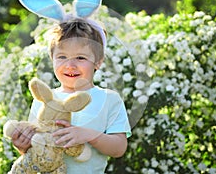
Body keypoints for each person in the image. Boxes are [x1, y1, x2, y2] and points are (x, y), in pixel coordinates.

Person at [11, 18, 132, 173]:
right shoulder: (44, 98)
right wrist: (22, 145)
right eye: (62, 57)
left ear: (98, 62)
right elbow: (36, 150)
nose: (70, 65)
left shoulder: (109, 99)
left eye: (80, 58)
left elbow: (119, 148)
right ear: (52, 59)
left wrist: (90, 135)